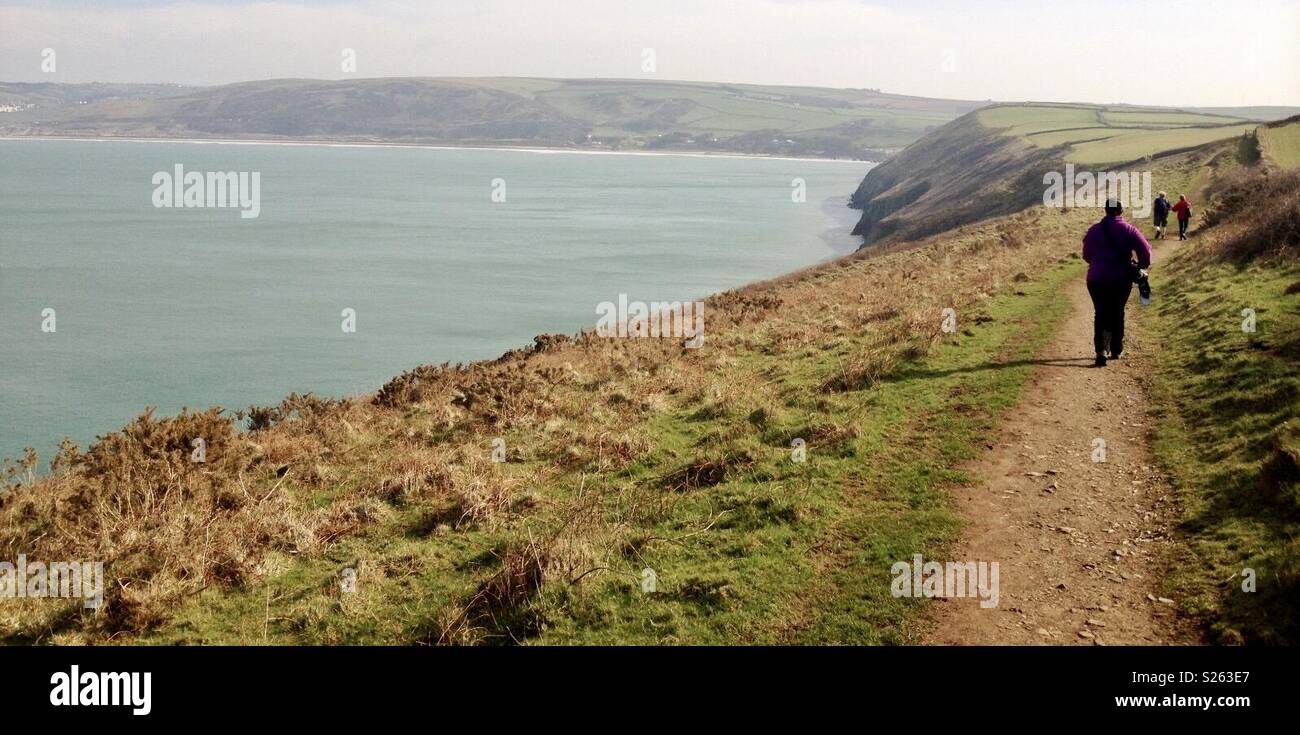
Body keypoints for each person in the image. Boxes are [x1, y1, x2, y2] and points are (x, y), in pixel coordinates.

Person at [1081, 198, 1153, 367]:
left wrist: (1098, 263)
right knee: (1117, 311)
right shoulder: (1129, 229)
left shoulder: (1094, 230)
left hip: (1096, 279)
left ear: (1105, 211)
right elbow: (1146, 252)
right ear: (1121, 211)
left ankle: (1101, 350)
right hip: (1120, 279)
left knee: (1101, 312)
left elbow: (1086, 254)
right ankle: (1116, 349)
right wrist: (1140, 266)